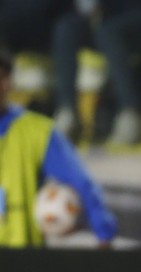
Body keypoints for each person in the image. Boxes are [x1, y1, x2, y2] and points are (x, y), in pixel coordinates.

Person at [0, 47, 116, 248]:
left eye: (2, 77)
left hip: (21, 263)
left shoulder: (38, 132)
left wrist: (103, 233)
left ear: (9, 82)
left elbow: (82, 184)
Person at [51, 0, 141, 145]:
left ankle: (132, 113)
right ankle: (68, 111)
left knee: (109, 32)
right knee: (67, 27)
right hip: (108, 16)